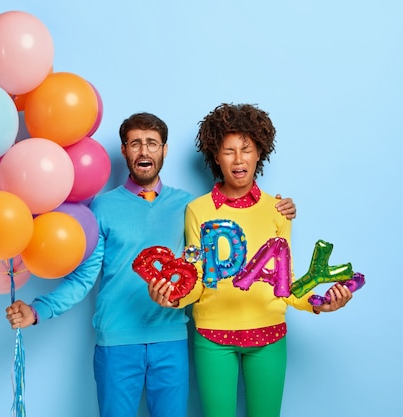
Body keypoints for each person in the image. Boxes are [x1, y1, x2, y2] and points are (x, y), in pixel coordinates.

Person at [5, 112, 297, 417]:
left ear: (164, 150)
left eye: (152, 144)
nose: (144, 151)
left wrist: (277, 207)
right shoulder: (102, 208)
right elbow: (83, 278)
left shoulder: (189, 207)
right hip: (116, 344)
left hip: (171, 342)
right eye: (135, 144)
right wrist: (38, 310)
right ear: (124, 150)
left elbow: (229, 239)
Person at [148, 103, 353, 417]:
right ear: (216, 157)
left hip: (269, 335)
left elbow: (286, 283)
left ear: (260, 153)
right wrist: (172, 298)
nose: (239, 159)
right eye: (228, 150)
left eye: (247, 149)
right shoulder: (198, 211)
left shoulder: (279, 210)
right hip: (213, 339)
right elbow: (198, 277)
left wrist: (318, 302)